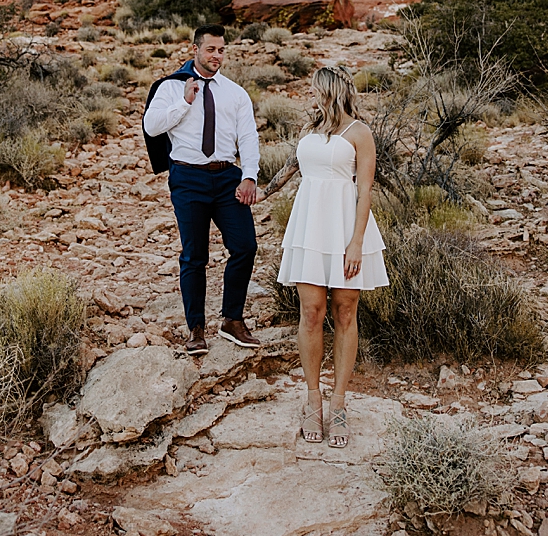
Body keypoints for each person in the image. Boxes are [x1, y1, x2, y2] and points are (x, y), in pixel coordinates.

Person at [263, 65, 388, 449]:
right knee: (311, 312)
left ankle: (338, 405)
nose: (311, 97)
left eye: (316, 91)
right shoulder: (310, 132)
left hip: (345, 228)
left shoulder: (360, 133)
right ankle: (312, 400)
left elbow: (364, 191)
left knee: (345, 313)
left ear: (330, 92)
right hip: (310, 228)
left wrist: (356, 242)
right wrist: (256, 193)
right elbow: (289, 171)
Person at [142, 23, 263, 355]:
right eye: (211, 49)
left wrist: (249, 176)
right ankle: (195, 328)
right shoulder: (171, 87)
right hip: (187, 178)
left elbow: (249, 137)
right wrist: (184, 102)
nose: (217, 56)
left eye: (222, 49)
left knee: (245, 246)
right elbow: (151, 126)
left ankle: (232, 320)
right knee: (195, 256)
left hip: (227, 178)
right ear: (195, 49)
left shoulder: (235, 93)